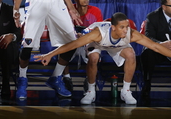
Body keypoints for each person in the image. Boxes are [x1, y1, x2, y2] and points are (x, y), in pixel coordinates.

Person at [34, 12, 171, 105]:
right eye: (122, 27)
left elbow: (156, 47)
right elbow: (73, 44)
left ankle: (126, 91)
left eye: (127, 27)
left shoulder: (131, 34)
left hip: (117, 44)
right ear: (113, 27)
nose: (125, 30)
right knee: (93, 57)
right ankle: (91, 91)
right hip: (98, 43)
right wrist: (49, 54)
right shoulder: (97, 34)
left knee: (131, 54)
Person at [141, 0, 171, 98]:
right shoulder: (152, 17)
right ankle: (147, 84)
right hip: (159, 49)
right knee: (148, 53)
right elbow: (148, 36)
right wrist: (161, 44)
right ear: (164, 6)